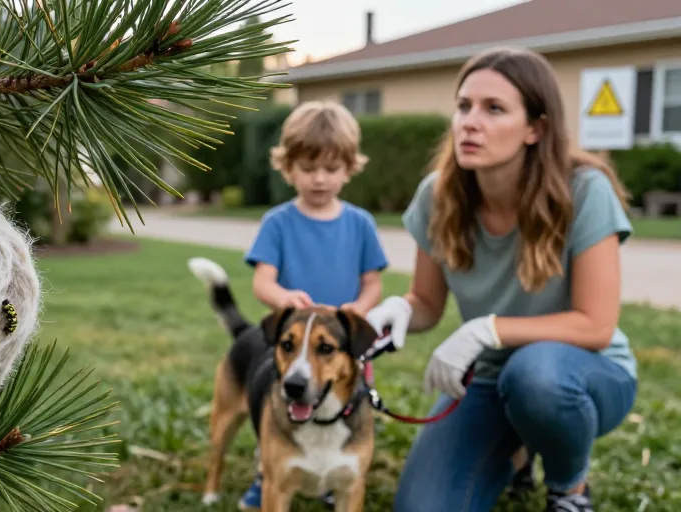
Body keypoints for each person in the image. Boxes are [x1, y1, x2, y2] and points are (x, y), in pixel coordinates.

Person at [364, 46, 638, 512]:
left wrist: (486, 329)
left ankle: (568, 487)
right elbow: (427, 301)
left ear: (536, 128)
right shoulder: (438, 195)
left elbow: (596, 325)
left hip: (579, 375)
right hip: (490, 380)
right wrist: (401, 309)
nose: (470, 122)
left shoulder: (584, 190)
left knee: (535, 377)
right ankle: (518, 448)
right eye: (464, 106)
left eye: (494, 109)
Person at [239, 100, 389, 510]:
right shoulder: (278, 222)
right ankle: (268, 473)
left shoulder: (360, 223)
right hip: (293, 340)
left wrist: (358, 308)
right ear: (287, 168)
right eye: (307, 168)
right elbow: (262, 280)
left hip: (344, 339)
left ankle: (333, 474)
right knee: (281, 413)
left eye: (330, 168)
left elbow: (373, 283)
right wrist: (283, 297)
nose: (319, 179)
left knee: (342, 410)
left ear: (349, 168)